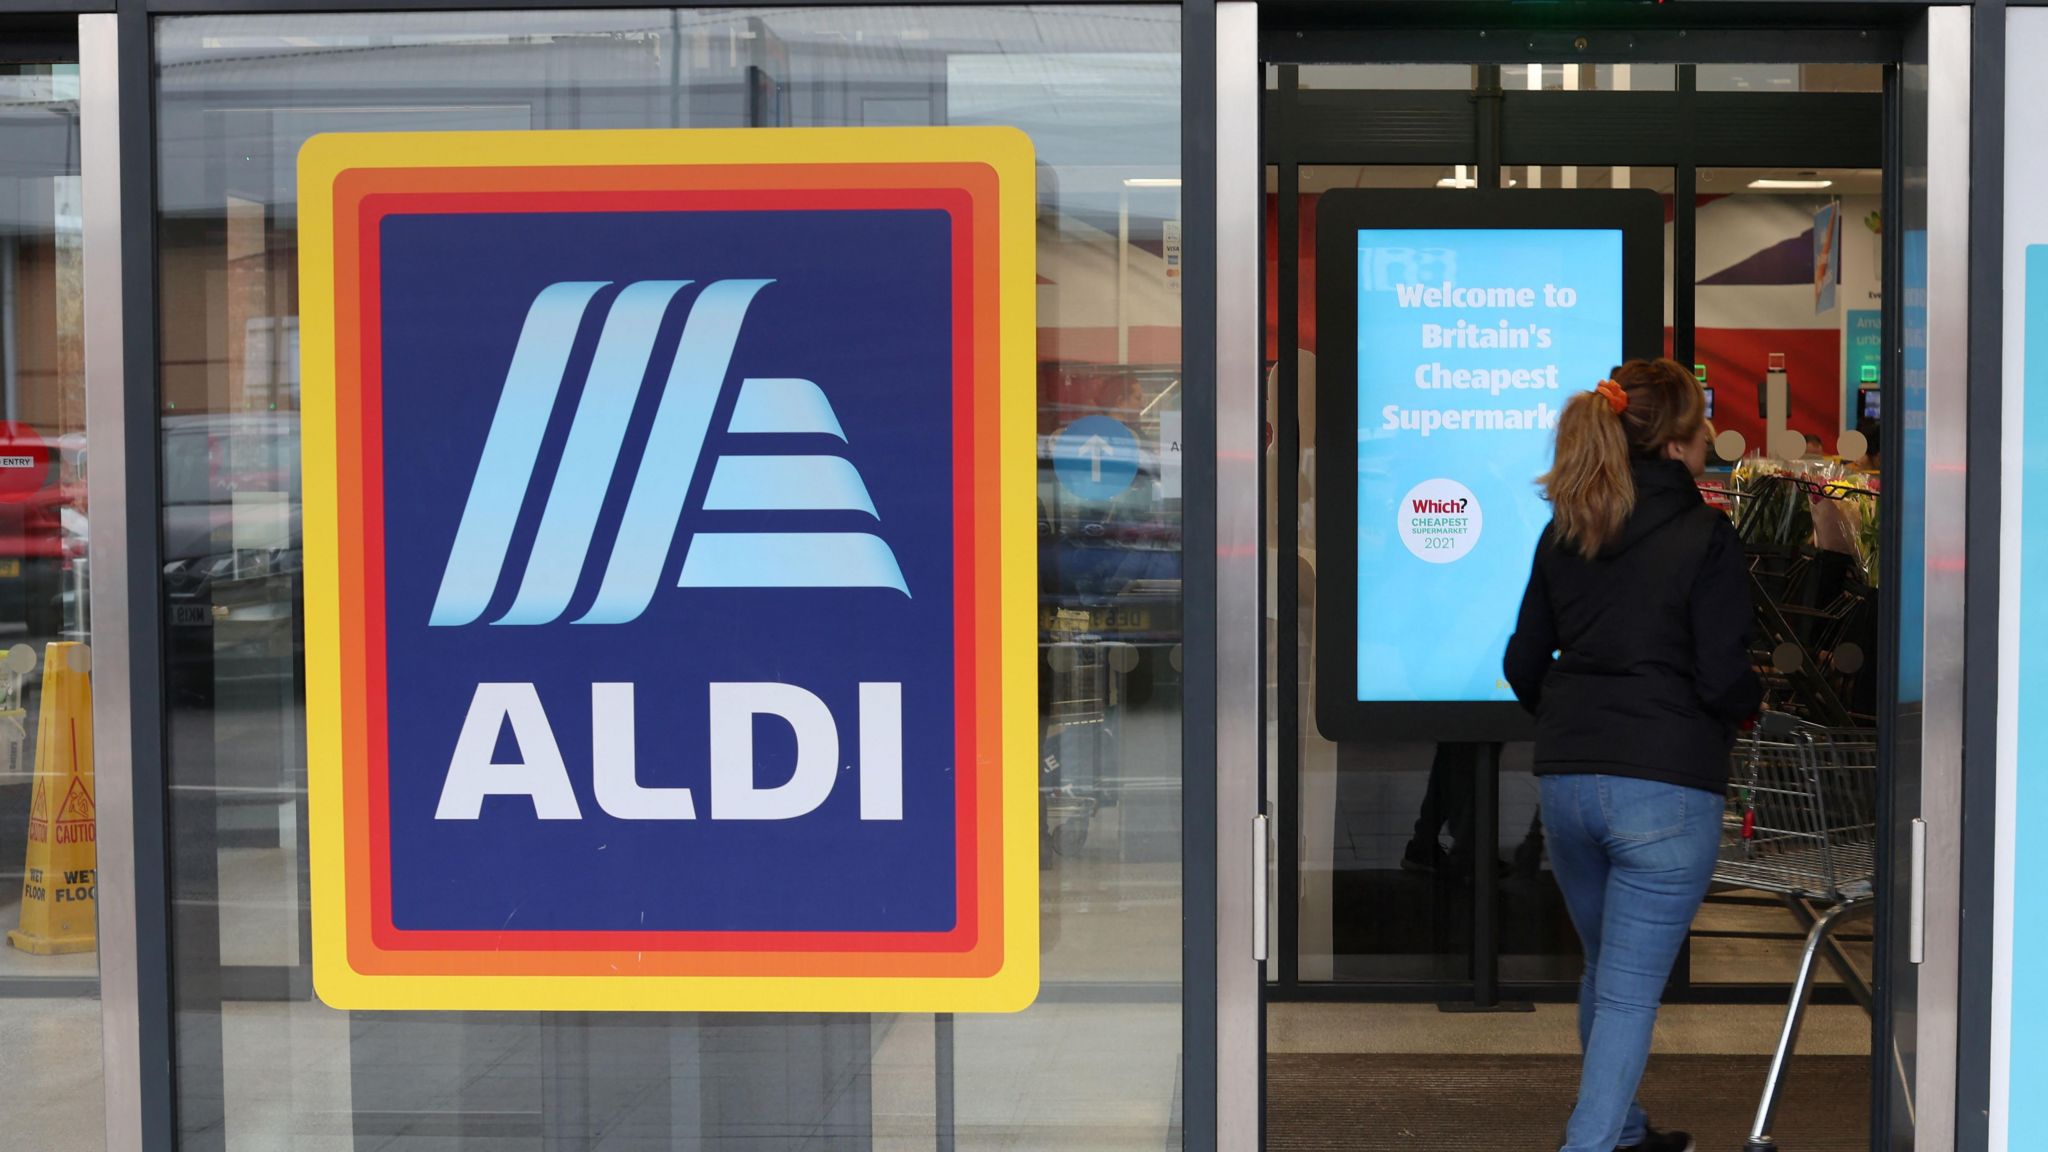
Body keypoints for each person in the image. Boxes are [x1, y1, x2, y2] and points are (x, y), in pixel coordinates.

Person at [1504, 358, 1763, 1152]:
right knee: (1625, 994)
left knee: (1604, 972)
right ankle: (1589, 1144)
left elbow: (1523, 661)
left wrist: (1580, 720)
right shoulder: (1705, 536)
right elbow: (1722, 676)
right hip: (1665, 786)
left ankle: (1619, 1130)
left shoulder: (1569, 528)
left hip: (1569, 783)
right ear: (1683, 445)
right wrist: (1743, 711)